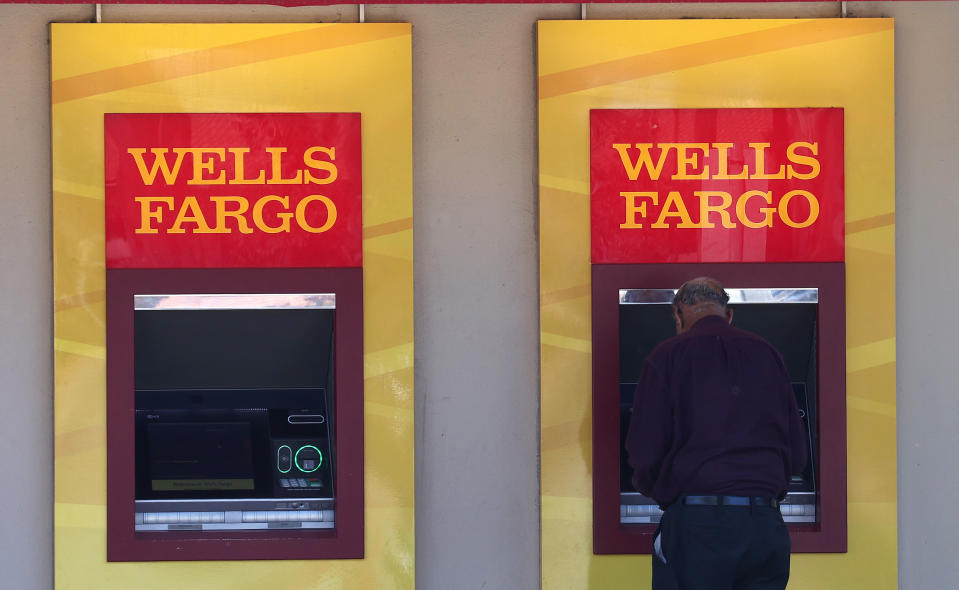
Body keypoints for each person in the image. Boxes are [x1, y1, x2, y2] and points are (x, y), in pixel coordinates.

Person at [625, 277, 808, 590]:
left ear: (678, 316)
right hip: (764, 526)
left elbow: (644, 451)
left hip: (697, 526)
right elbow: (797, 455)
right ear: (729, 313)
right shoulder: (768, 354)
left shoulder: (666, 356)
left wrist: (661, 491)